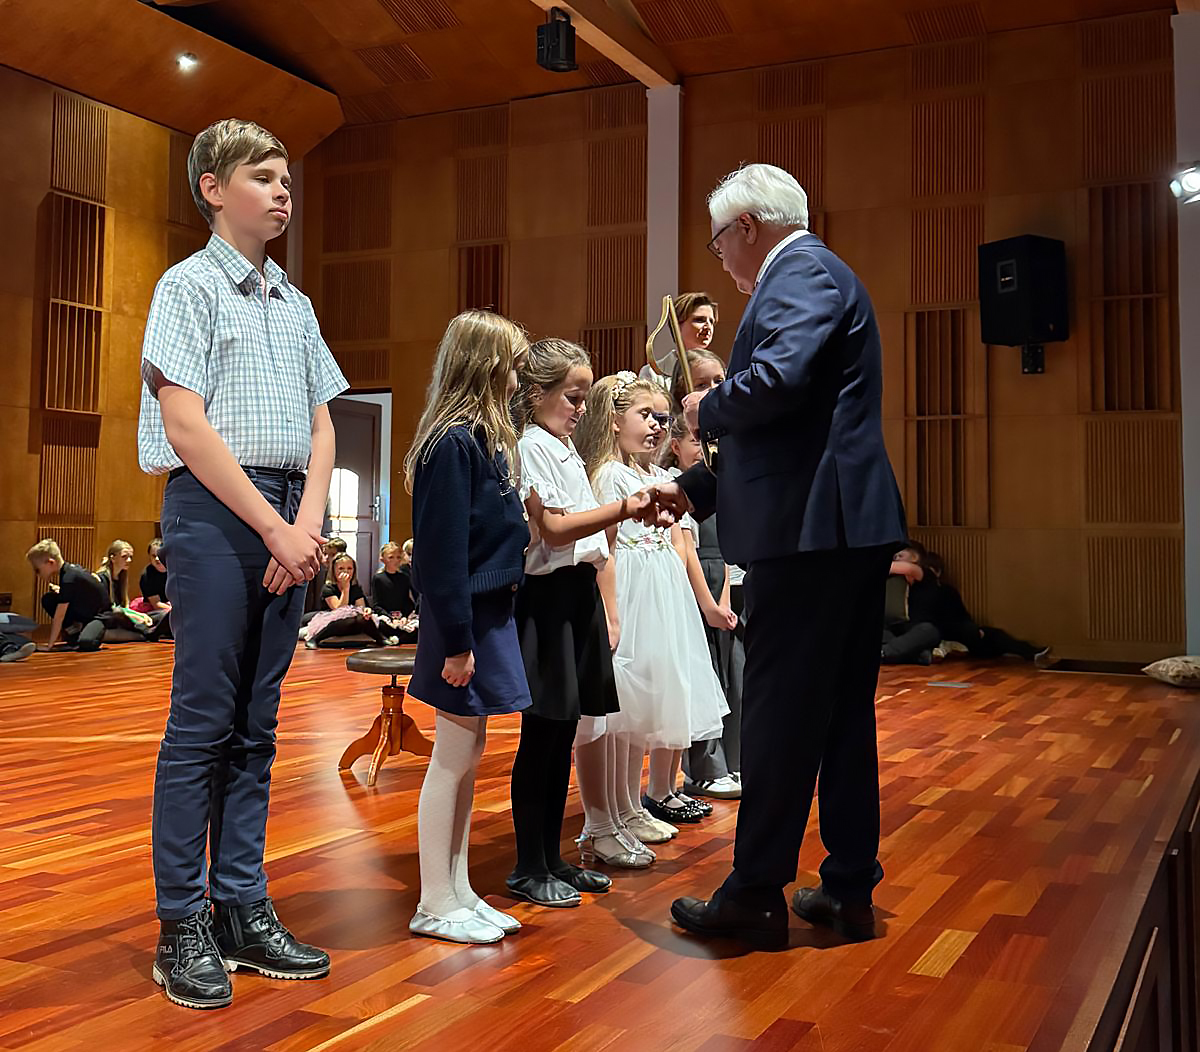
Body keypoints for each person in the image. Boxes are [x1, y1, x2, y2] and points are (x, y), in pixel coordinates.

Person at [654, 163, 908, 948]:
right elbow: (799, 430)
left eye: (718, 241)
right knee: (839, 717)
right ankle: (848, 888)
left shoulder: (799, 271)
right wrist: (695, 489)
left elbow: (777, 381)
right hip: (832, 525)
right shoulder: (819, 274)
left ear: (748, 227)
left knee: (777, 717)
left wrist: (706, 405)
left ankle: (757, 893)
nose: (721, 259)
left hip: (811, 535)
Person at [137, 118, 346, 1008]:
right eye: (262, 176)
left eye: (286, 177)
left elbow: (324, 424)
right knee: (202, 725)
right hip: (217, 509)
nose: (282, 189)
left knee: (258, 730)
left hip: (286, 516)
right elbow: (185, 424)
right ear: (214, 189)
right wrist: (272, 527)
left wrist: (305, 527)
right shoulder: (186, 286)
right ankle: (181, 920)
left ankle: (241, 906)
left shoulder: (294, 303)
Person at [508, 338, 657, 907]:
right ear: (537, 393)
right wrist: (623, 507)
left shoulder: (564, 447)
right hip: (547, 600)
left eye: (585, 398)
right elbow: (552, 529)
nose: (580, 408)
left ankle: (553, 858)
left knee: (564, 730)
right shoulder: (530, 446)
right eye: (572, 396)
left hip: (577, 595)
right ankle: (529, 864)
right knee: (541, 735)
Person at [404, 310, 532, 945]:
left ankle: (458, 888)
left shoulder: (479, 441)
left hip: (486, 615)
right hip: (464, 621)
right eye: (512, 364)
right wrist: (457, 642)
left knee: (468, 755)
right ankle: (433, 899)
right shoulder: (452, 444)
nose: (518, 377)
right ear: (486, 365)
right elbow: (442, 554)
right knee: (450, 759)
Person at [574, 372, 729, 862]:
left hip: (663, 588)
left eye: (663, 417)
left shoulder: (650, 475)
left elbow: (678, 537)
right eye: (646, 415)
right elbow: (606, 547)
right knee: (624, 709)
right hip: (633, 587)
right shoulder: (608, 475)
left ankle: (630, 805)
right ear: (613, 419)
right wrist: (612, 610)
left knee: (646, 708)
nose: (658, 425)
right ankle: (614, 810)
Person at [26, 539, 110, 652]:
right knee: (49, 599)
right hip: (85, 611)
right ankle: (75, 632)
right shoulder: (68, 572)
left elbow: (59, 616)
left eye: (37, 570)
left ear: (50, 563)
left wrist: (50, 646)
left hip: (100, 616)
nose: (37, 573)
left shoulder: (68, 578)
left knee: (86, 643)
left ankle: (103, 632)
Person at [305, 552, 391, 648]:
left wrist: (367, 611)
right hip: (333, 620)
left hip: (353, 621)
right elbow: (339, 610)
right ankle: (315, 639)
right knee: (346, 620)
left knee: (363, 619)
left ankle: (380, 638)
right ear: (333, 570)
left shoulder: (356, 587)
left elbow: (361, 607)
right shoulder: (328, 588)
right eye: (341, 568)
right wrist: (345, 588)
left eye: (349, 568)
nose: (346, 571)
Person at [640, 291, 719, 391]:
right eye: (699, 320)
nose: (708, 327)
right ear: (676, 326)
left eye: (711, 321)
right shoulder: (653, 373)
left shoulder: (720, 371)